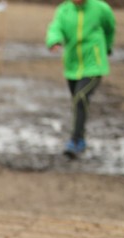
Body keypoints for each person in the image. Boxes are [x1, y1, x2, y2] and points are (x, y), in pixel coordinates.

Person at [46, 0, 116, 159]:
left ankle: (75, 140)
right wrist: (54, 40)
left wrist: (107, 47)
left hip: (94, 64)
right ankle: (81, 137)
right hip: (72, 66)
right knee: (78, 102)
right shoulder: (64, 10)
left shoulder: (101, 8)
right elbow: (55, 27)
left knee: (80, 97)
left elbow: (110, 28)